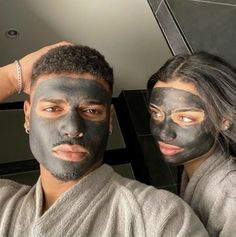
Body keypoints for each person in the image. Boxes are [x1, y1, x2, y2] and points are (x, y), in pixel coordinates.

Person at [0, 42, 208, 237]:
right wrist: (11, 77)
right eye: (53, 108)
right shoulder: (4, 202)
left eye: (91, 111)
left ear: (109, 121)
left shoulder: (161, 216)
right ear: (28, 116)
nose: (73, 129)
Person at [147, 51, 236, 236]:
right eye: (156, 114)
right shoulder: (191, 168)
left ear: (223, 121)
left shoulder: (230, 194)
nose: (164, 133)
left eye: (185, 118)